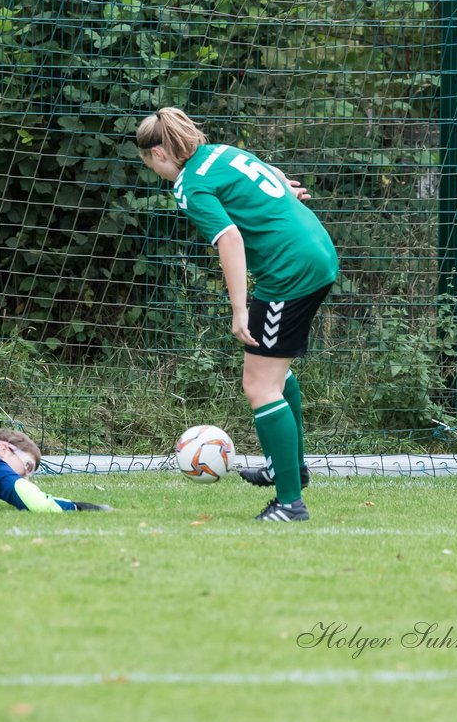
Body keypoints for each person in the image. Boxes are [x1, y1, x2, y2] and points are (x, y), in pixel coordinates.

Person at [136, 107, 337, 522]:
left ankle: (289, 503)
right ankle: (289, 468)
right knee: (274, 374)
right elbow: (268, 174)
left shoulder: (189, 185)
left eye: (148, 164)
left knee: (259, 386)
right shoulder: (222, 154)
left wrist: (240, 309)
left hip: (289, 270)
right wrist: (283, 188)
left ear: (158, 154)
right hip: (315, 249)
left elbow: (229, 239)